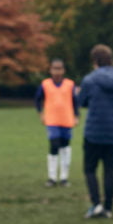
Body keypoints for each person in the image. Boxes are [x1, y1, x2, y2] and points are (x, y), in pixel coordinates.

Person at [77, 43, 113, 219]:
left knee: (90, 170)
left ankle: (96, 204)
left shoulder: (90, 80)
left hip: (94, 131)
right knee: (110, 171)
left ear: (95, 61)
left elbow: (81, 101)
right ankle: (108, 207)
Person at [35, 58, 78, 186]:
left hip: (66, 119)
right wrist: (41, 114)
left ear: (63, 70)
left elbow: (75, 102)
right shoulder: (45, 84)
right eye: (55, 68)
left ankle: (64, 177)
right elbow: (37, 100)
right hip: (52, 120)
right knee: (54, 145)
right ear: (50, 70)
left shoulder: (70, 84)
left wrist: (76, 116)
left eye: (59, 69)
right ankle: (52, 177)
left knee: (65, 147)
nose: (57, 71)